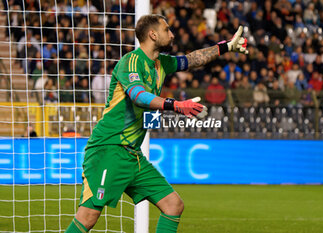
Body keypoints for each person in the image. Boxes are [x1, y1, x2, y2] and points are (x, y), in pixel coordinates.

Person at [65, 14, 248, 233]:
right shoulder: (130, 62)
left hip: (133, 156)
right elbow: (139, 96)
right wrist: (176, 105)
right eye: (167, 29)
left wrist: (225, 47)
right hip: (109, 149)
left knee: (173, 205)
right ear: (152, 34)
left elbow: (192, 59)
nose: (172, 34)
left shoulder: (162, 63)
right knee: (88, 217)